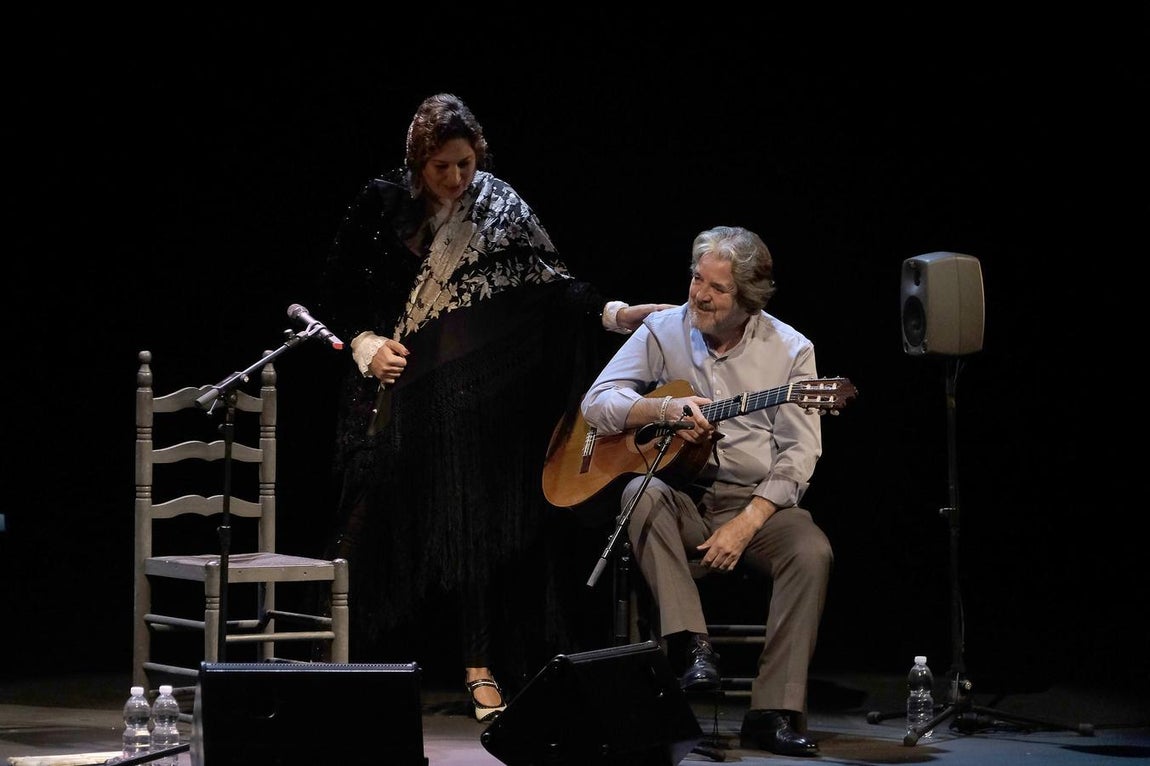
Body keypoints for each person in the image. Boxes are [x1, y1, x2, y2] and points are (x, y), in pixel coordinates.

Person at [315, 93, 673, 724]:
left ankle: (481, 667)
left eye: (465, 164)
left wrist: (617, 314)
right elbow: (334, 297)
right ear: (416, 163)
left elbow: (553, 289)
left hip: (481, 405)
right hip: (395, 396)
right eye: (442, 168)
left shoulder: (500, 205)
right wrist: (366, 345)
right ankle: (340, 672)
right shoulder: (380, 205)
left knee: (477, 529)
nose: (456, 179)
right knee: (367, 522)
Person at [580, 225, 833, 757]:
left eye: (717, 289)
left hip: (757, 502)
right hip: (685, 495)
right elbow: (597, 403)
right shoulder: (665, 328)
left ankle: (773, 712)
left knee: (811, 552)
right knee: (636, 495)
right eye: (697, 279)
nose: (700, 294)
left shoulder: (790, 350)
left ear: (748, 299)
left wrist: (747, 524)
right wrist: (662, 409)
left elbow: (799, 454)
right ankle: (692, 646)